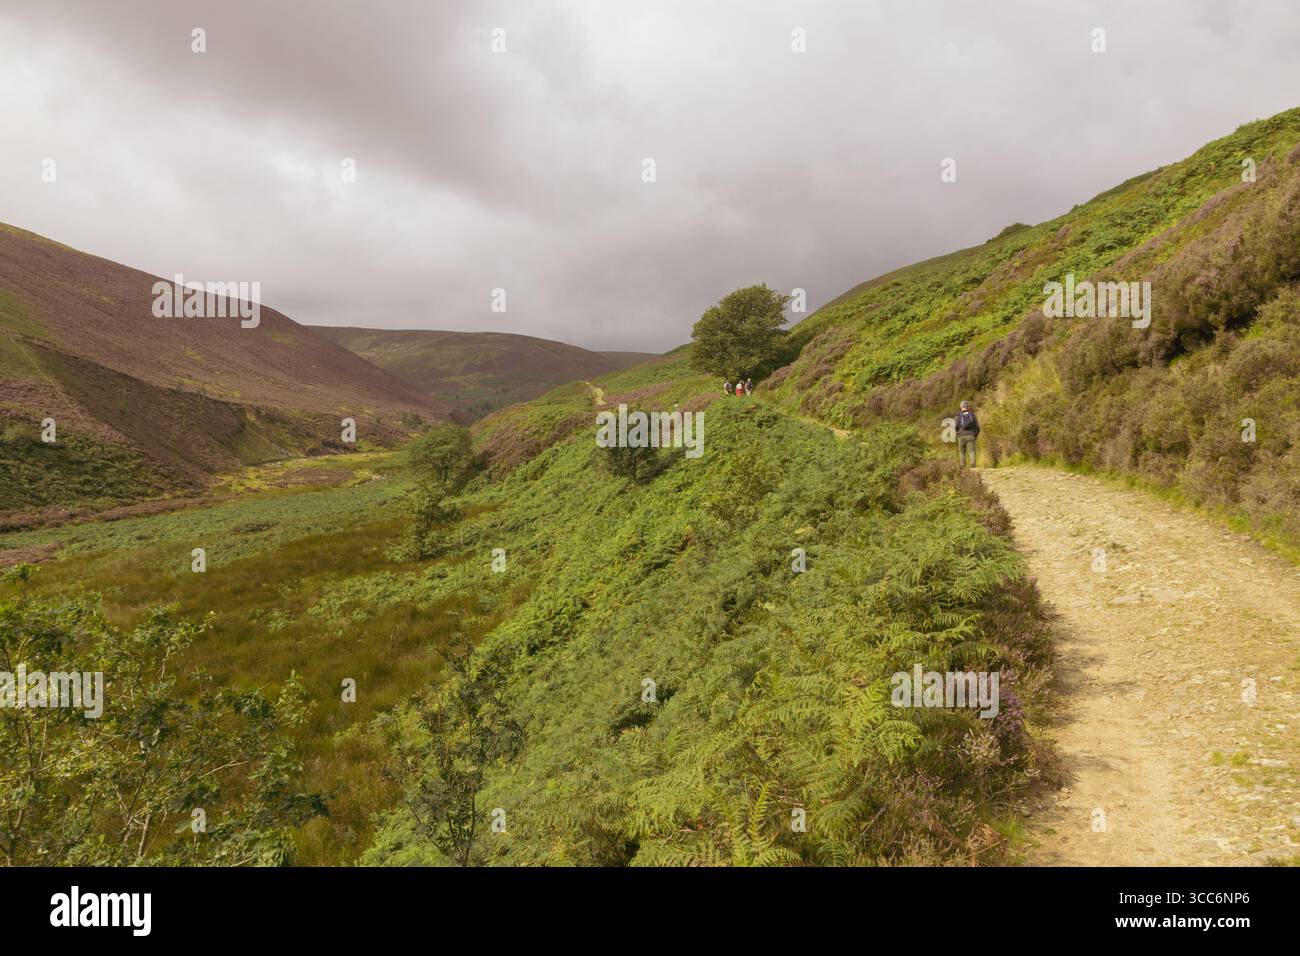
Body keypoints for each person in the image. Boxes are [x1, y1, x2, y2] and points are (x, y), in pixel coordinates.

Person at [955, 400, 980, 468]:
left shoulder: (958, 415)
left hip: (961, 436)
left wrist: (958, 434)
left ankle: (962, 466)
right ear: (967, 407)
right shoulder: (972, 414)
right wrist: (975, 435)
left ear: (961, 407)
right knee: (971, 451)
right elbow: (977, 426)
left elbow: (956, 426)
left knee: (962, 452)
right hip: (971, 435)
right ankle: (973, 465)